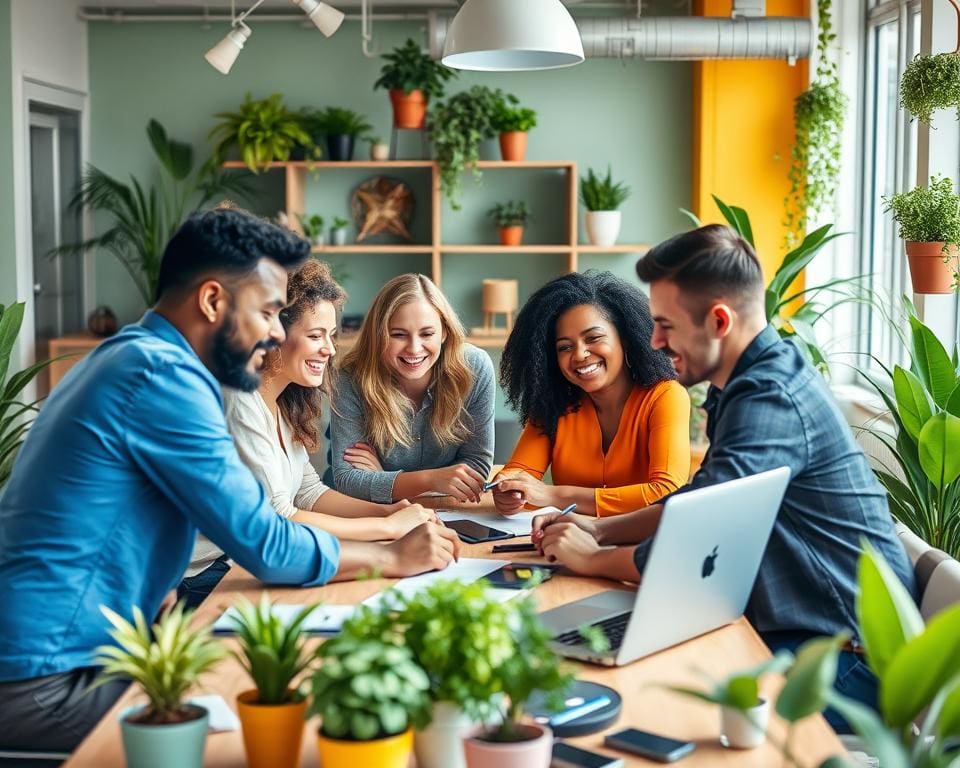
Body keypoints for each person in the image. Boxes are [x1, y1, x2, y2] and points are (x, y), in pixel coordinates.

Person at [0, 208, 459, 753]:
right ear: (213, 300)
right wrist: (394, 558)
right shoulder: (163, 377)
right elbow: (266, 538)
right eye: (267, 310)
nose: (273, 331)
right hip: (47, 682)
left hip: (71, 659)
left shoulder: (136, 356)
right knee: (277, 729)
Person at [531, 224, 915, 730]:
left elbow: (700, 549)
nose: (654, 340)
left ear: (718, 320)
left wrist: (596, 558)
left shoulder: (770, 398)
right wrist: (601, 530)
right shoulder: (745, 383)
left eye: (665, 324)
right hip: (802, 637)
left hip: (845, 665)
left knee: (648, 707)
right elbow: (701, 502)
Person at [181, 260, 440, 607]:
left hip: (242, 565)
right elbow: (279, 517)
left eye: (331, 336)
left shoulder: (282, 399)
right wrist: (389, 531)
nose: (330, 349)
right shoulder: (239, 399)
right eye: (316, 336)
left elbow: (308, 492)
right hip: (205, 577)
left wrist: (387, 512)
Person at [492, 271, 690, 517]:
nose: (579, 355)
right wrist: (509, 491)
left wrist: (555, 495)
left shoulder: (665, 396)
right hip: (569, 541)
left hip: (641, 545)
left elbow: (667, 492)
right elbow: (519, 473)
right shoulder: (554, 403)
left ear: (626, 340)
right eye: (564, 347)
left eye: (593, 338)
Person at [331, 273, 495, 504]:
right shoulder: (350, 376)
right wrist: (432, 479)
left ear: (445, 332)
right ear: (378, 335)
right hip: (364, 512)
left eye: (427, 333)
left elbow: (476, 466)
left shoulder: (475, 368)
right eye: (398, 334)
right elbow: (348, 480)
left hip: (445, 512)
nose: (414, 348)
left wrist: (382, 480)